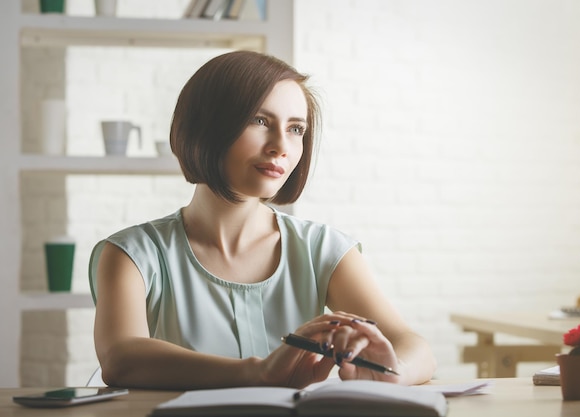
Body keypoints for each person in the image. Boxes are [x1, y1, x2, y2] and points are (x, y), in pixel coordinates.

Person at [89, 50, 436, 390]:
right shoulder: (132, 254)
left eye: (296, 129)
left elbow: (413, 346)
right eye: (259, 121)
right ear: (204, 126)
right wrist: (258, 373)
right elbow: (121, 357)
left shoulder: (324, 249)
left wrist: (393, 373)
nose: (281, 146)